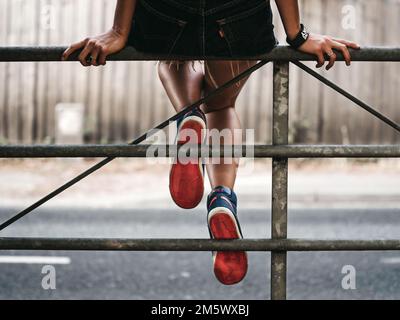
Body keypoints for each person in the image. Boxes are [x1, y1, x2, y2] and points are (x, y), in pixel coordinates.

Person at [62, 0, 360, 285]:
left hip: (167, 13)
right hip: (239, 15)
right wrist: (297, 35)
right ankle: (222, 197)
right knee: (220, 105)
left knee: (174, 59)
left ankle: (189, 116)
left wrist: (119, 31)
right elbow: (294, 34)